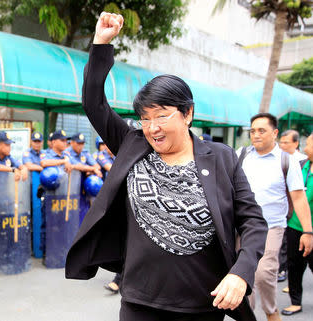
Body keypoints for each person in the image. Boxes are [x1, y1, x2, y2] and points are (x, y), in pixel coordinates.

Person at [65, 12, 268, 321]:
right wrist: (101, 44)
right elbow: (94, 103)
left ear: (187, 114)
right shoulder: (133, 144)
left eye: (161, 115)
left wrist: (241, 272)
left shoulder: (223, 158)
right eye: (145, 118)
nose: (152, 127)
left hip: (201, 303)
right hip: (139, 300)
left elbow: (253, 222)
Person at [240, 113, 312, 321]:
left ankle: (272, 312)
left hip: (271, 227)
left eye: (261, 130)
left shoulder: (286, 161)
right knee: (245, 277)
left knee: (263, 274)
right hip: (243, 227)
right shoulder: (241, 155)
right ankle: (247, 316)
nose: (256, 135)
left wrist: (308, 231)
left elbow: (299, 198)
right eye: (252, 131)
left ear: (275, 133)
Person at [281, 132, 313, 316]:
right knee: (294, 265)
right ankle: (296, 301)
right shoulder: (301, 165)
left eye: (308, 144)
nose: (305, 148)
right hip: (295, 225)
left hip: (311, 229)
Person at [277, 130, 306, 282]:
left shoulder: (302, 161)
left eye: (286, 142)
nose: (282, 145)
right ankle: (283, 269)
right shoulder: (277, 159)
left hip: (298, 212)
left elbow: (299, 194)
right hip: (286, 213)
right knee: (285, 245)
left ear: (295, 143)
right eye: (281, 142)